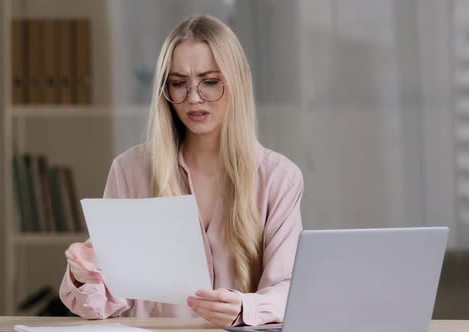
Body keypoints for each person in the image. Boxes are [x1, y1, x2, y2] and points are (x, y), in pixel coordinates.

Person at [59, 15, 303, 328]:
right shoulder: (130, 170)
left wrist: (246, 306)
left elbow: (290, 289)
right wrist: (84, 276)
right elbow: (104, 302)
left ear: (238, 82)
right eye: (178, 84)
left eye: (210, 81)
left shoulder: (279, 178)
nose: (193, 97)